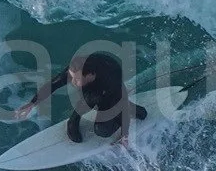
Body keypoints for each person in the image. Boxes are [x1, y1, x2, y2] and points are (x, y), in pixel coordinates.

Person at [9, 51, 145, 144]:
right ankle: (73, 120)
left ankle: (132, 109)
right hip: (95, 87)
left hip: (110, 91)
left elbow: (121, 100)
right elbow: (54, 84)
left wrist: (124, 134)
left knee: (102, 131)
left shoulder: (111, 77)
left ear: (89, 75)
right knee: (89, 97)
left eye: (76, 79)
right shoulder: (77, 68)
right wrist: (32, 103)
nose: (72, 82)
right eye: (72, 78)